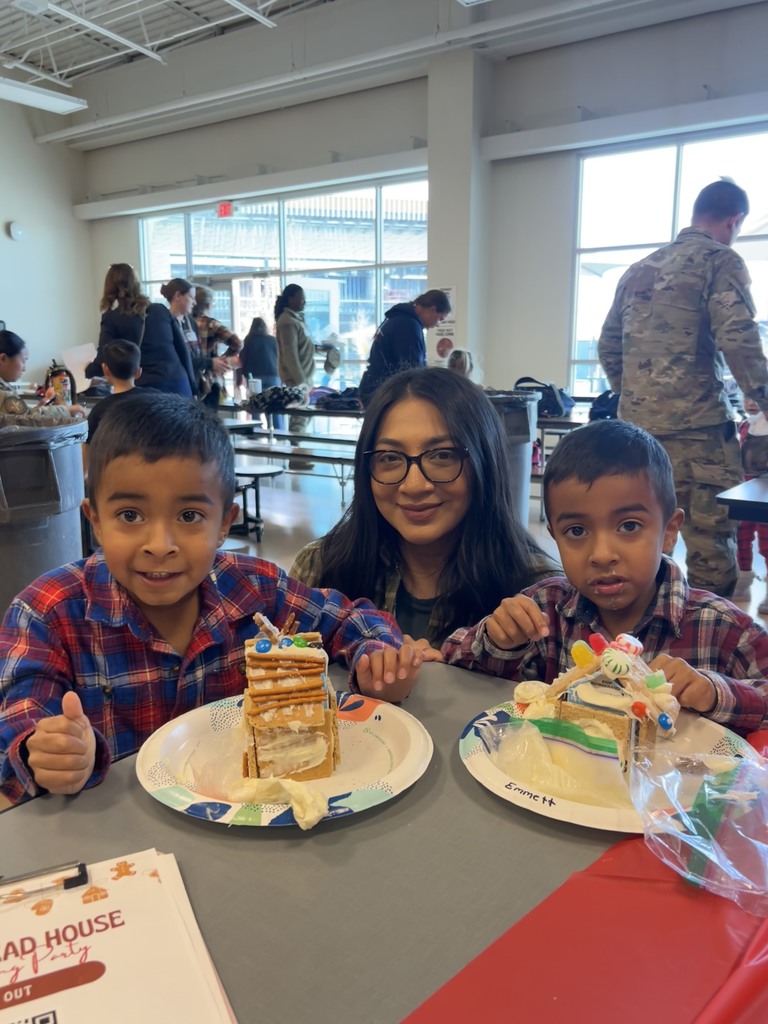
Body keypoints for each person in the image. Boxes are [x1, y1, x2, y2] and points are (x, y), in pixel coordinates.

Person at [0, 392, 426, 807]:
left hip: (245, 826)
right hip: (117, 836)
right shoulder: (48, 610)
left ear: (224, 524)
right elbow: (20, 715)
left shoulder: (254, 589)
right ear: (94, 520)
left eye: (189, 516)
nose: (159, 544)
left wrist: (378, 656)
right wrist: (48, 749)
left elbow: (349, 618)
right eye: (130, 515)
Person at [442, 419, 768, 735]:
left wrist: (715, 692)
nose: (601, 554)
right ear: (554, 535)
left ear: (669, 531)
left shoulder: (720, 627)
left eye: (629, 526)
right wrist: (498, 641)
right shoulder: (545, 610)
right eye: (577, 530)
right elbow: (453, 660)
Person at [290, 367, 560, 649]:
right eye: (390, 457)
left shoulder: (544, 596)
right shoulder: (320, 569)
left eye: (442, 455)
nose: (414, 486)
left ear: (485, 462)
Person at [598, 179, 768, 599]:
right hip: (699, 434)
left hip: (637, 438)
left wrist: (634, 397)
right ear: (735, 220)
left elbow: (608, 343)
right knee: (710, 547)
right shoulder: (720, 261)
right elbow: (739, 340)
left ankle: (638, 652)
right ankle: (707, 653)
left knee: (640, 537)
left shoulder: (639, 269)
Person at [86, 263, 197, 398]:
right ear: (136, 283)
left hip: (146, 389)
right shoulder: (160, 310)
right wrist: (192, 386)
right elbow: (182, 350)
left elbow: (104, 356)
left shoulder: (112, 318)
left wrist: (86, 371)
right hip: (179, 384)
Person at [358, 289, 452, 407]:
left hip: (375, 388)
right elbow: (412, 371)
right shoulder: (408, 325)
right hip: (383, 393)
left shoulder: (399, 319)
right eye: (440, 319)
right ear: (432, 309)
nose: (438, 324)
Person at [0, 329, 86, 425]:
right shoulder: (3, 393)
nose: (24, 368)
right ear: (3, 359)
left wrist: (36, 410)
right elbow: (26, 420)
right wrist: (67, 410)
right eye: (23, 361)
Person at [83, 339, 144, 474]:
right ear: (138, 372)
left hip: (115, 475)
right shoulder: (156, 399)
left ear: (105, 370)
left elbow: (85, 467)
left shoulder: (99, 410)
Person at [733, 398, 768, 610]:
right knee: (741, 534)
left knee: (766, 541)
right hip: (744, 489)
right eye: (747, 396)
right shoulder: (745, 424)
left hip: (765, 493)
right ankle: (744, 576)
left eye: (756, 397)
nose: (750, 402)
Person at [192, 285, 242, 409]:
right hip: (209, 379)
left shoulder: (184, 323)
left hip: (191, 377)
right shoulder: (211, 324)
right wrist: (223, 359)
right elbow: (237, 343)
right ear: (208, 304)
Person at [239, 316, 284, 430]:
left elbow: (243, 358)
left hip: (254, 377)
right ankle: (278, 432)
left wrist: (243, 375)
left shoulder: (249, 340)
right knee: (274, 404)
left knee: (256, 405)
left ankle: (256, 431)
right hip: (273, 376)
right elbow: (281, 358)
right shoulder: (272, 340)